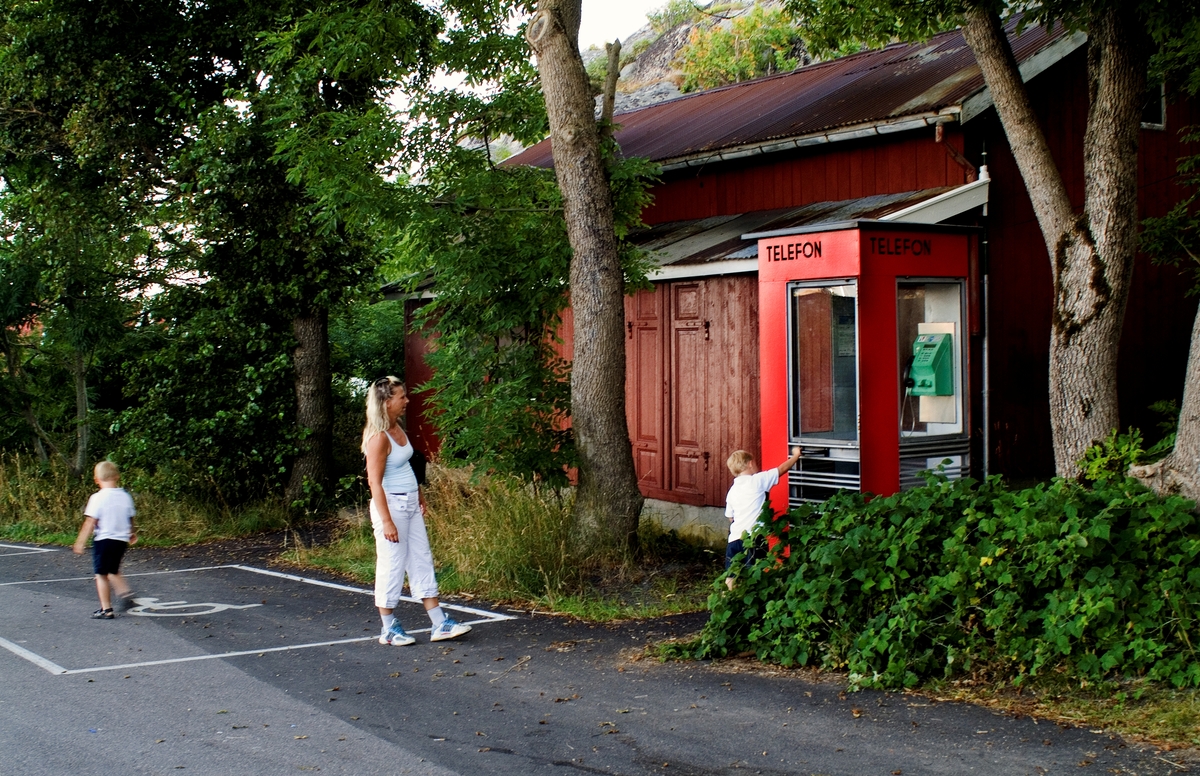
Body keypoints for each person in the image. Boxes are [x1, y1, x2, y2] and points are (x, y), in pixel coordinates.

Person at [363, 376, 471, 645]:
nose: (407, 401)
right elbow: (374, 482)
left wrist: (419, 493)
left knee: (421, 559)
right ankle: (388, 628)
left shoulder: (398, 428)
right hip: (391, 506)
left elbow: (405, 467)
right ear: (387, 402)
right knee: (392, 565)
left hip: (409, 502)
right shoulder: (378, 438)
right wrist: (387, 521)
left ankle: (439, 624)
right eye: (401, 397)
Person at [723, 446, 801, 590]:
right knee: (755, 570)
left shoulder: (732, 491)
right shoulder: (757, 480)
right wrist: (796, 456)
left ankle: (729, 599)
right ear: (750, 463)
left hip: (734, 539)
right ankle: (754, 596)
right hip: (754, 537)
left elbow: (730, 517)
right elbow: (782, 469)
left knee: (732, 572)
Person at [72, 460, 138, 619]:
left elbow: (90, 522)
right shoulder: (125, 496)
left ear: (96, 479)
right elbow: (130, 518)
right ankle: (125, 593)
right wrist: (131, 533)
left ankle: (106, 609)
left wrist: (80, 541)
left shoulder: (97, 498)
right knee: (113, 569)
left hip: (104, 540)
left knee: (101, 574)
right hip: (121, 540)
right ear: (117, 476)